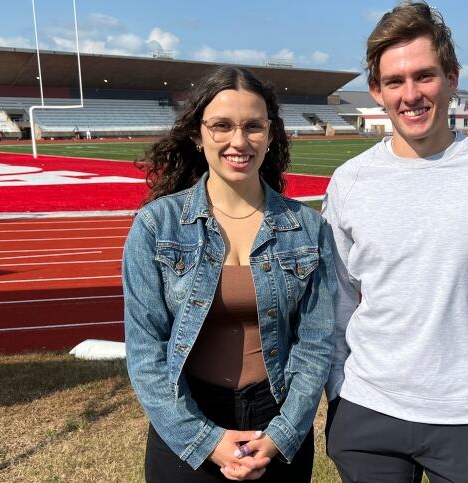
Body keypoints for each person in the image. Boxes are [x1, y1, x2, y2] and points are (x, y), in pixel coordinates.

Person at [322, 2, 468, 482]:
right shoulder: (349, 182)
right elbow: (337, 298)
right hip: (367, 413)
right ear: (377, 91)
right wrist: (338, 393)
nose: (411, 94)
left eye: (424, 76)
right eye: (395, 81)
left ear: (452, 78)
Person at [123, 65, 336, 482]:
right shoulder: (156, 225)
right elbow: (146, 351)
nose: (239, 141)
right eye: (222, 126)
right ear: (197, 135)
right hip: (186, 418)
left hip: (276, 425)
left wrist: (281, 434)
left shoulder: (308, 228)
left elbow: (316, 344)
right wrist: (204, 440)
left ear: (270, 134)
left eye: (253, 126)